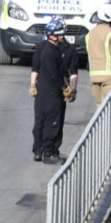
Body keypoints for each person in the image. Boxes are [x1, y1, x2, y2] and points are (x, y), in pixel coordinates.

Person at [30, 17, 80, 163]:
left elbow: (36, 68)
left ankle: (39, 151)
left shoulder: (43, 48)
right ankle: (49, 153)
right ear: (55, 35)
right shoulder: (52, 52)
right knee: (53, 122)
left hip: (42, 92)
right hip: (52, 93)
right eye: (60, 34)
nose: (62, 36)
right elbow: (55, 74)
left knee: (41, 121)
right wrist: (65, 88)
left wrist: (33, 85)